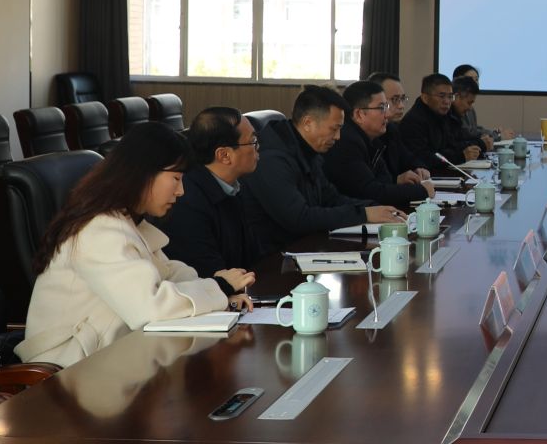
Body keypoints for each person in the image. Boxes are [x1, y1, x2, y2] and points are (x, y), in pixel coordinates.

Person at [17, 123, 249, 368]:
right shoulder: (99, 229)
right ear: (145, 173)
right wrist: (219, 286)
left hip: (108, 358)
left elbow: (168, 273)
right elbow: (150, 308)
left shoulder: (125, 219)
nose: (181, 191)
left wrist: (217, 291)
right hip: (67, 371)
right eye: (176, 178)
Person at [243, 85, 407, 251]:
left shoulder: (307, 149)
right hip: (272, 256)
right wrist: (364, 214)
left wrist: (373, 208)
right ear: (308, 123)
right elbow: (299, 218)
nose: (338, 137)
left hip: (305, 244)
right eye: (334, 129)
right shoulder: (271, 158)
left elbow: (331, 198)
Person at [149, 108, 267, 297]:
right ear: (224, 155)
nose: (258, 147)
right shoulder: (187, 201)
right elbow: (208, 274)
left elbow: (254, 258)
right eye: (252, 141)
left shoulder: (232, 186)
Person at [327, 80, 431, 209]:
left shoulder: (374, 139)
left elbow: (384, 182)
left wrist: (397, 181)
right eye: (382, 108)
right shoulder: (347, 142)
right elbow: (371, 192)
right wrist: (422, 190)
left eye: (386, 107)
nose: (387, 114)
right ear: (359, 114)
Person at [395, 73, 482, 171]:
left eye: (450, 96)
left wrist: (472, 149)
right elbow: (422, 159)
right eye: (442, 96)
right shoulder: (414, 121)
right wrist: (460, 156)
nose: (447, 102)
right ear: (425, 98)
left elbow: (454, 143)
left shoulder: (443, 115)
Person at [449, 63, 508, 144]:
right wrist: (497, 136)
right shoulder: (448, 110)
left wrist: (494, 133)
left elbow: (474, 130)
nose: (474, 83)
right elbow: (468, 133)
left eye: (476, 79)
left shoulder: (470, 108)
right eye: (470, 79)